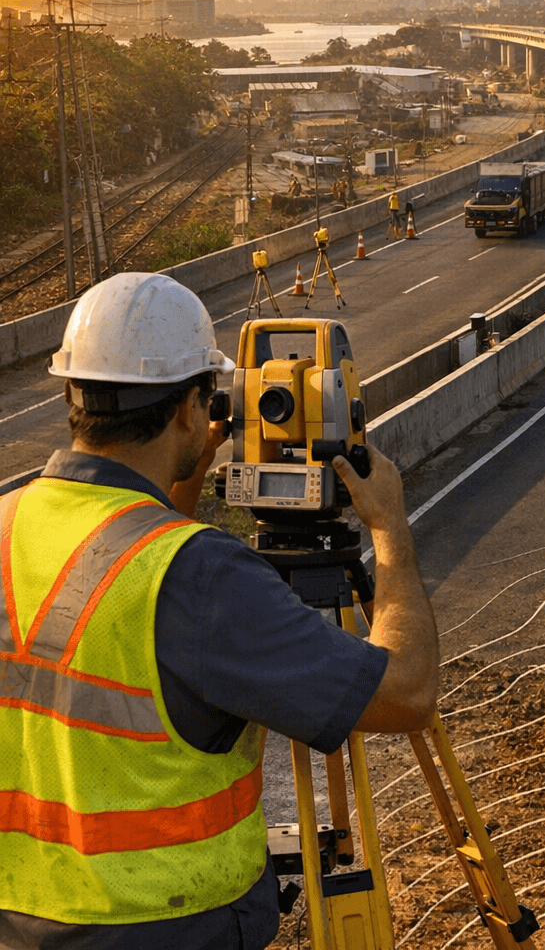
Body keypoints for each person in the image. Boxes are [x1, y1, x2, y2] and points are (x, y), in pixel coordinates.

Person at [0, 273, 438, 949]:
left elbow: (109, 571)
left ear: (71, 393)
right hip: (165, 928)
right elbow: (407, 693)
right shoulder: (199, 575)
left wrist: (193, 465)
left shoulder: (8, 524)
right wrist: (391, 531)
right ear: (188, 409)